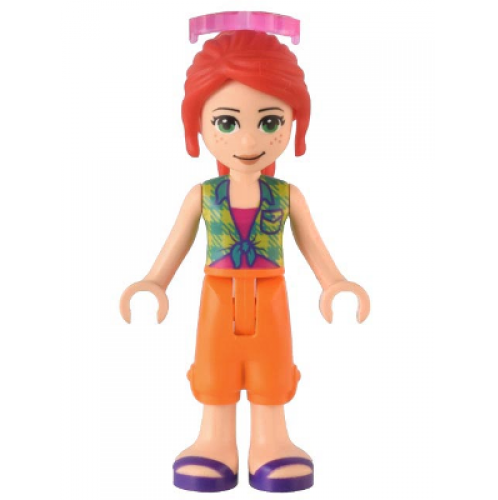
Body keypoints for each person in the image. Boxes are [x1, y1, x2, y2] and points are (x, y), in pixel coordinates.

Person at [120, 26, 369, 493]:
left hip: (271, 296)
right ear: (198, 125)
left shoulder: (287, 195)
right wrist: (154, 282)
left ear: (294, 122)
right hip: (217, 297)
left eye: (270, 122)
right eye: (227, 122)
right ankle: (214, 443)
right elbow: (176, 244)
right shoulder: (203, 195)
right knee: (215, 371)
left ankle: (270, 444)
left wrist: (334, 283)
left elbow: (312, 244)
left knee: (271, 371)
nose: (249, 138)